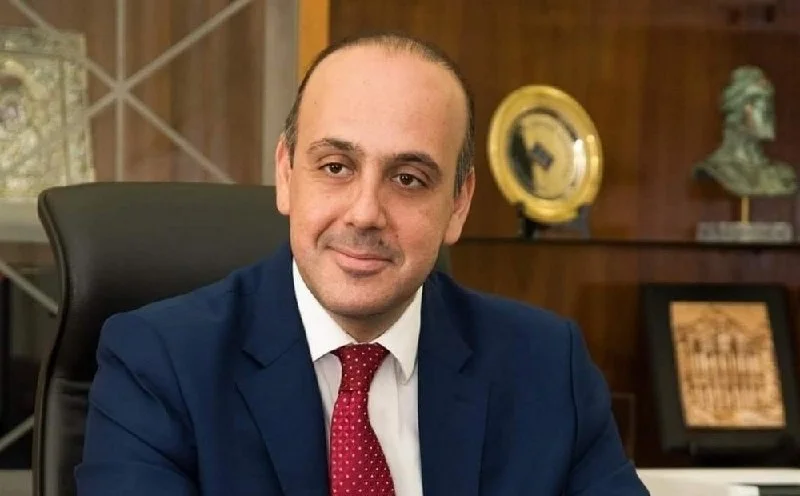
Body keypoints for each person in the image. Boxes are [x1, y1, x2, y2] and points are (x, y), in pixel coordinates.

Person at [76, 32, 649, 496]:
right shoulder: (159, 366)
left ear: (459, 204)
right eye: (336, 167)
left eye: (409, 179)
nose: (365, 213)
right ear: (286, 174)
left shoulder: (546, 368)